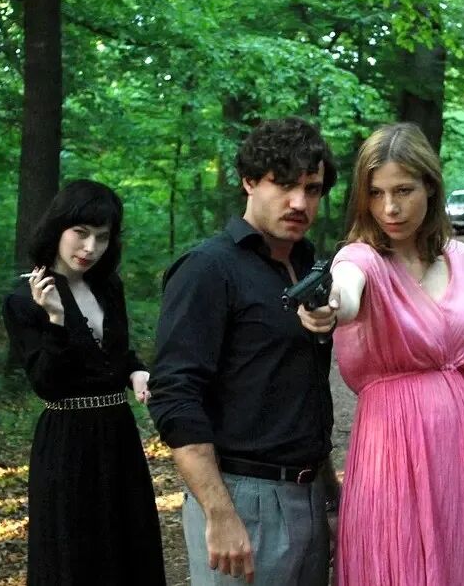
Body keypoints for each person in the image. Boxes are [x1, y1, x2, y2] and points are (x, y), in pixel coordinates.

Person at [299, 123, 464, 586]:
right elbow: (345, 293)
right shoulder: (360, 258)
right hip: (391, 450)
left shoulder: (463, 261)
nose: (389, 208)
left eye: (403, 191)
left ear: (430, 187)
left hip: (461, 449)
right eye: (375, 194)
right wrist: (328, 305)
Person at [148, 117, 340, 586]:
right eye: (284, 184)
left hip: (309, 494)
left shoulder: (307, 266)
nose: (300, 202)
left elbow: (301, 393)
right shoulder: (207, 269)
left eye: (312, 189)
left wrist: (329, 491)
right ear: (249, 181)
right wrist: (220, 513)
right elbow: (175, 397)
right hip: (240, 497)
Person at [2, 180, 166, 586]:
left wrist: (136, 372)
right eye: (81, 232)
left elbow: (115, 355)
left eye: (102, 237)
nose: (90, 247)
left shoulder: (108, 286)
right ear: (58, 228)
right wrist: (56, 320)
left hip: (118, 436)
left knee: (130, 547)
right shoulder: (23, 299)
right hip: (67, 442)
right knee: (75, 557)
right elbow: (46, 383)